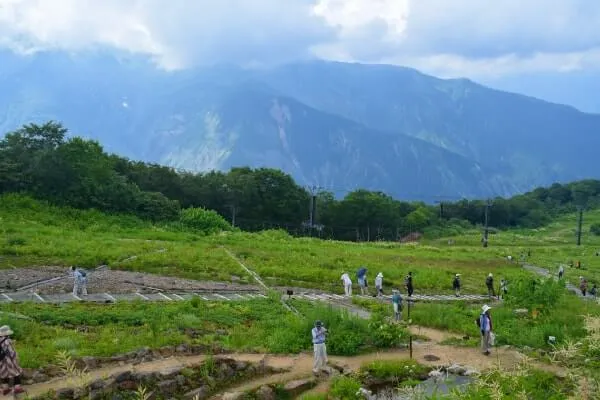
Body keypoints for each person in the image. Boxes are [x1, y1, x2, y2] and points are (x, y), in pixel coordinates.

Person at [0, 325, 24, 395]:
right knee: (16, 372)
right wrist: (16, 358)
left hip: (1, 361)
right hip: (8, 361)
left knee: (4, 374)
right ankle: (17, 388)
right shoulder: (7, 341)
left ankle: (5, 389)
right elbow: (11, 352)